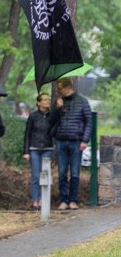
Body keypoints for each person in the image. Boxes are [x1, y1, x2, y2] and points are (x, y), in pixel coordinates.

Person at [50, 77, 92, 210]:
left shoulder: (82, 101)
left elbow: (88, 122)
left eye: (60, 88)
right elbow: (51, 121)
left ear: (68, 87)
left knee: (74, 173)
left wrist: (85, 140)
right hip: (61, 141)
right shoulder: (58, 102)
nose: (58, 90)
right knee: (62, 173)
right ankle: (63, 200)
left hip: (76, 142)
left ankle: (73, 200)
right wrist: (58, 108)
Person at [23, 93, 53, 211]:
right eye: (44, 100)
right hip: (34, 148)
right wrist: (26, 151)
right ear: (39, 103)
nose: (47, 101)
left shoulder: (52, 116)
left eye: (48, 99)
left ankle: (43, 200)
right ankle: (35, 200)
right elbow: (27, 134)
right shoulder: (33, 116)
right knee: (35, 175)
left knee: (45, 175)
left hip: (47, 148)